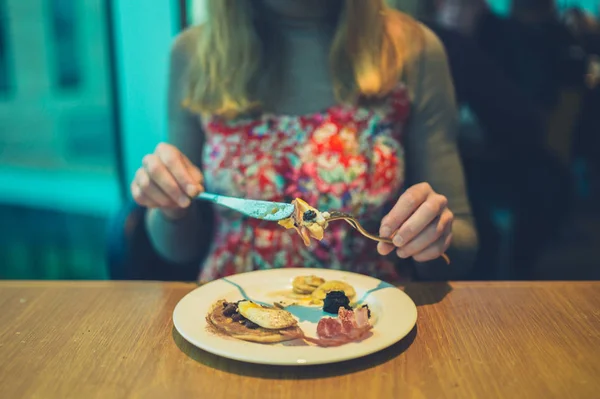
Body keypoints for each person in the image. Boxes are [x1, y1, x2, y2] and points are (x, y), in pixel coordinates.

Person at [130, 0, 478, 282]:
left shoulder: (412, 50)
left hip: (369, 322)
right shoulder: (194, 54)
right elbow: (177, 250)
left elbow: (461, 246)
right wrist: (170, 207)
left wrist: (433, 236)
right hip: (231, 316)